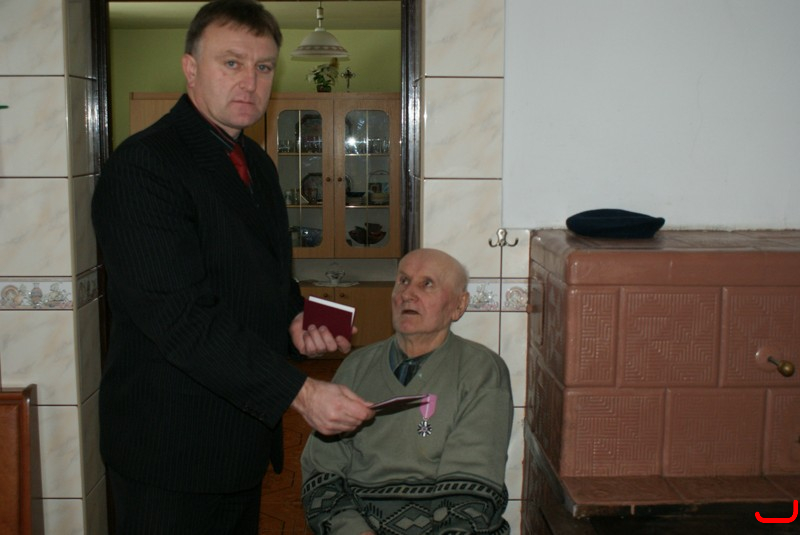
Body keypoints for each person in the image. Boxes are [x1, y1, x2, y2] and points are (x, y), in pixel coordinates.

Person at [91, 1, 373, 532]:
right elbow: (180, 318)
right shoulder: (144, 166)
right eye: (231, 63)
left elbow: (266, 279)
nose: (250, 81)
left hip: (239, 443)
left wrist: (297, 323)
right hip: (169, 453)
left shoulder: (257, 164)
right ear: (190, 68)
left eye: (263, 66)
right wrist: (302, 391)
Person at [301, 248, 514, 535]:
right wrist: (352, 529)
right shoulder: (356, 366)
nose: (407, 294)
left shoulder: (481, 370)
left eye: (427, 284)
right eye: (402, 281)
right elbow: (320, 468)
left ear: (459, 305)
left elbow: (473, 490)